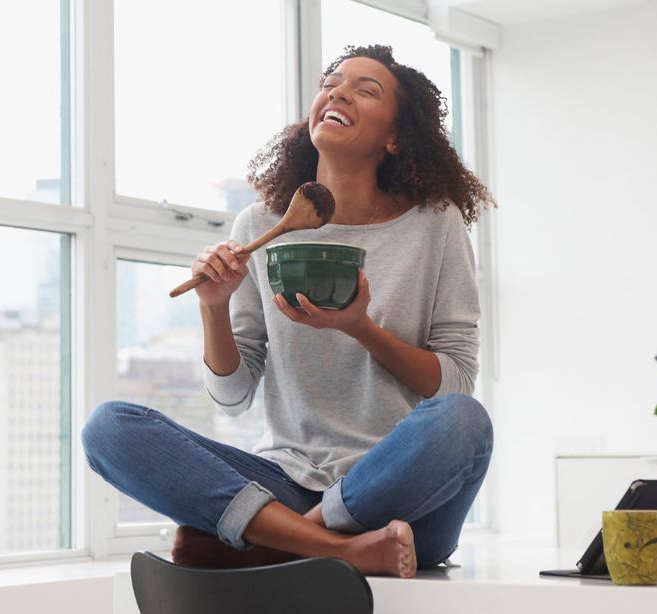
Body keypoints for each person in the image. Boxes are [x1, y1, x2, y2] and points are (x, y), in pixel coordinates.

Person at [82, 44, 495, 579]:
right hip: (288, 479)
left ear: (395, 138)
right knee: (109, 428)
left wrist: (360, 328)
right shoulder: (258, 225)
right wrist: (213, 307)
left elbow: (455, 385)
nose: (339, 90)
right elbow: (233, 395)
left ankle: (277, 540)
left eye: (366, 89)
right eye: (333, 81)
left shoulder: (435, 226)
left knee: (464, 422)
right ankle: (341, 549)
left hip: (404, 495)